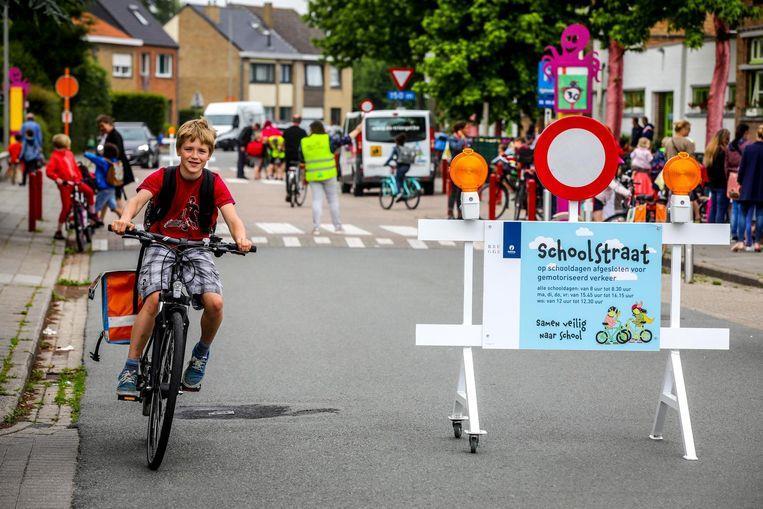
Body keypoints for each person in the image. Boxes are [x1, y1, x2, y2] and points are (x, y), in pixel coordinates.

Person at [111, 118, 252, 398]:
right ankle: (131, 366)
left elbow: (231, 215)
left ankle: (200, 354)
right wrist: (125, 219)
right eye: (189, 149)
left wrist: (241, 238)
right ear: (179, 150)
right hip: (160, 243)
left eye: (201, 151)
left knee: (215, 302)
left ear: (209, 155)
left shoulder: (213, 183)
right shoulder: (164, 176)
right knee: (152, 299)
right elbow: (138, 199)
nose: (194, 156)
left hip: (196, 247)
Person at [45, 134, 96, 240]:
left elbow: (75, 168)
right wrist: (58, 179)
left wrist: (79, 178)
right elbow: (49, 172)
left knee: (89, 192)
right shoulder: (55, 157)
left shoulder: (69, 154)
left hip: (76, 182)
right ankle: (59, 230)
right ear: (64, 144)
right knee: (66, 207)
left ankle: (92, 214)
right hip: (65, 185)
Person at [300, 121, 344, 235]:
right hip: (329, 174)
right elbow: (341, 143)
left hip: (313, 175)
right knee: (333, 200)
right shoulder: (327, 139)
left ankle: (316, 228)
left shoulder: (304, 141)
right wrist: (357, 130)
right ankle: (338, 226)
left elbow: (301, 158)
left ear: (311, 130)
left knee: (316, 201)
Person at [736, 124, 763, 252]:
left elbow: (742, 169)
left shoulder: (748, 149)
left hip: (748, 185)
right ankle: (757, 243)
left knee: (743, 212)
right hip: (761, 188)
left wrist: (740, 181)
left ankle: (741, 241)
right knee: (760, 214)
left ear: (757, 134)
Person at [97, 115, 134, 206]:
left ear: (108, 123)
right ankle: (102, 218)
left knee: (116, 193)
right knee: (112, 193)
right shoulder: (110, 135)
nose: (101, 128)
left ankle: (122, 216)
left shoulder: (114, 135)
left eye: (102, 125)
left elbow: (118, 151)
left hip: (117, 167)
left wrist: (106, 157)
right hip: (117, 166)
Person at [84, 143, 124, 221]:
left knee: (96, 208)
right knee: (113, 206)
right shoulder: (115, 161)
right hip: (112, 187)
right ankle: (124, 220)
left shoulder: (102, 161)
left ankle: (92, 223)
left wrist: (85, 152)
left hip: (104, 189)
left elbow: (91, 157)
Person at [726, 124, 749, 248]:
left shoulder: (730, 146)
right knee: (741, 208)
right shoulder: (747, 146)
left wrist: (727, 177)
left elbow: (726, 163)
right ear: (745, 132)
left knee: (733, 207)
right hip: (742, 177)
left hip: (731, 176)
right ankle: (741, 234)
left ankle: (733, 233)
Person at [704, 128, 731, 224]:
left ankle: (711, 231)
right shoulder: (723, 152)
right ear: (725, 139)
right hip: (722, 184)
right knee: (721, 208)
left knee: (713, 207)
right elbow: (724, 169)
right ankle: (718, 232)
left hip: (712, 183)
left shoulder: (710, 150)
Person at [447, 121, 469, 219]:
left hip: (463, 167)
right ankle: (450, 212)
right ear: (460, 130)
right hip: (455, 167)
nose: (467, 130)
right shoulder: (452, 138)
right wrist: (462, 139)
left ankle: (460, 213)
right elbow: (456, 148)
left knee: (461, 190)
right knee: (454, 190)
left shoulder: (464, 139)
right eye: (466, 128)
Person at [383, 133, 415, 200]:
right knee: (401, 178)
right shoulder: (406, 148)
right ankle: (404, 191)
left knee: (397, 179)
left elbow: (391, 157)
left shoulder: (396, 148)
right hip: (407, 166)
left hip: (401, 166)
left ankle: (399, 194)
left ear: (397, 141)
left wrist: (386, 163)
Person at [283, 115, 307, 201]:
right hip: (299, 156)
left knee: (288, 173)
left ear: (292, 121)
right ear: (300, 122)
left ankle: (289, 192)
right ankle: (298, 186)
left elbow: (283, 143)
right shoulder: (303, 132)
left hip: (289, 155)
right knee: (300, 172)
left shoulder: (287, 131)